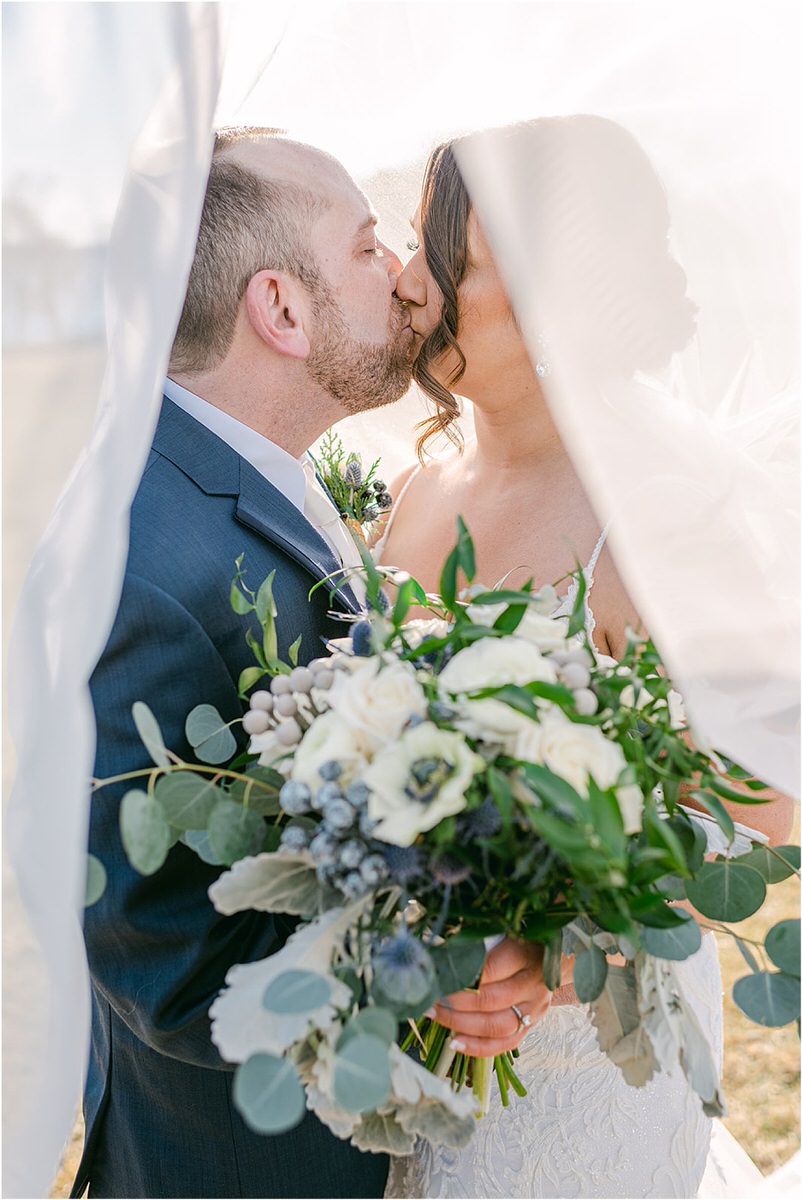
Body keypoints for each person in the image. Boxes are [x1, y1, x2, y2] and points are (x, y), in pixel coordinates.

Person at [378, 117, 794, 1199]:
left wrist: (558, 955)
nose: (403, 271)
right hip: (404, 1054)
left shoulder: (664, 516)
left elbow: (760, 808)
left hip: (579, 1083)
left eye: (434, 241)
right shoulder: (419, 494)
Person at [70, 127, 418, 1200]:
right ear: (281, 309)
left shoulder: (240, 477)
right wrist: (439, 976)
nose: (404, 274)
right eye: (367, 248)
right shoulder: (141, 565)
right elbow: (175, 974)